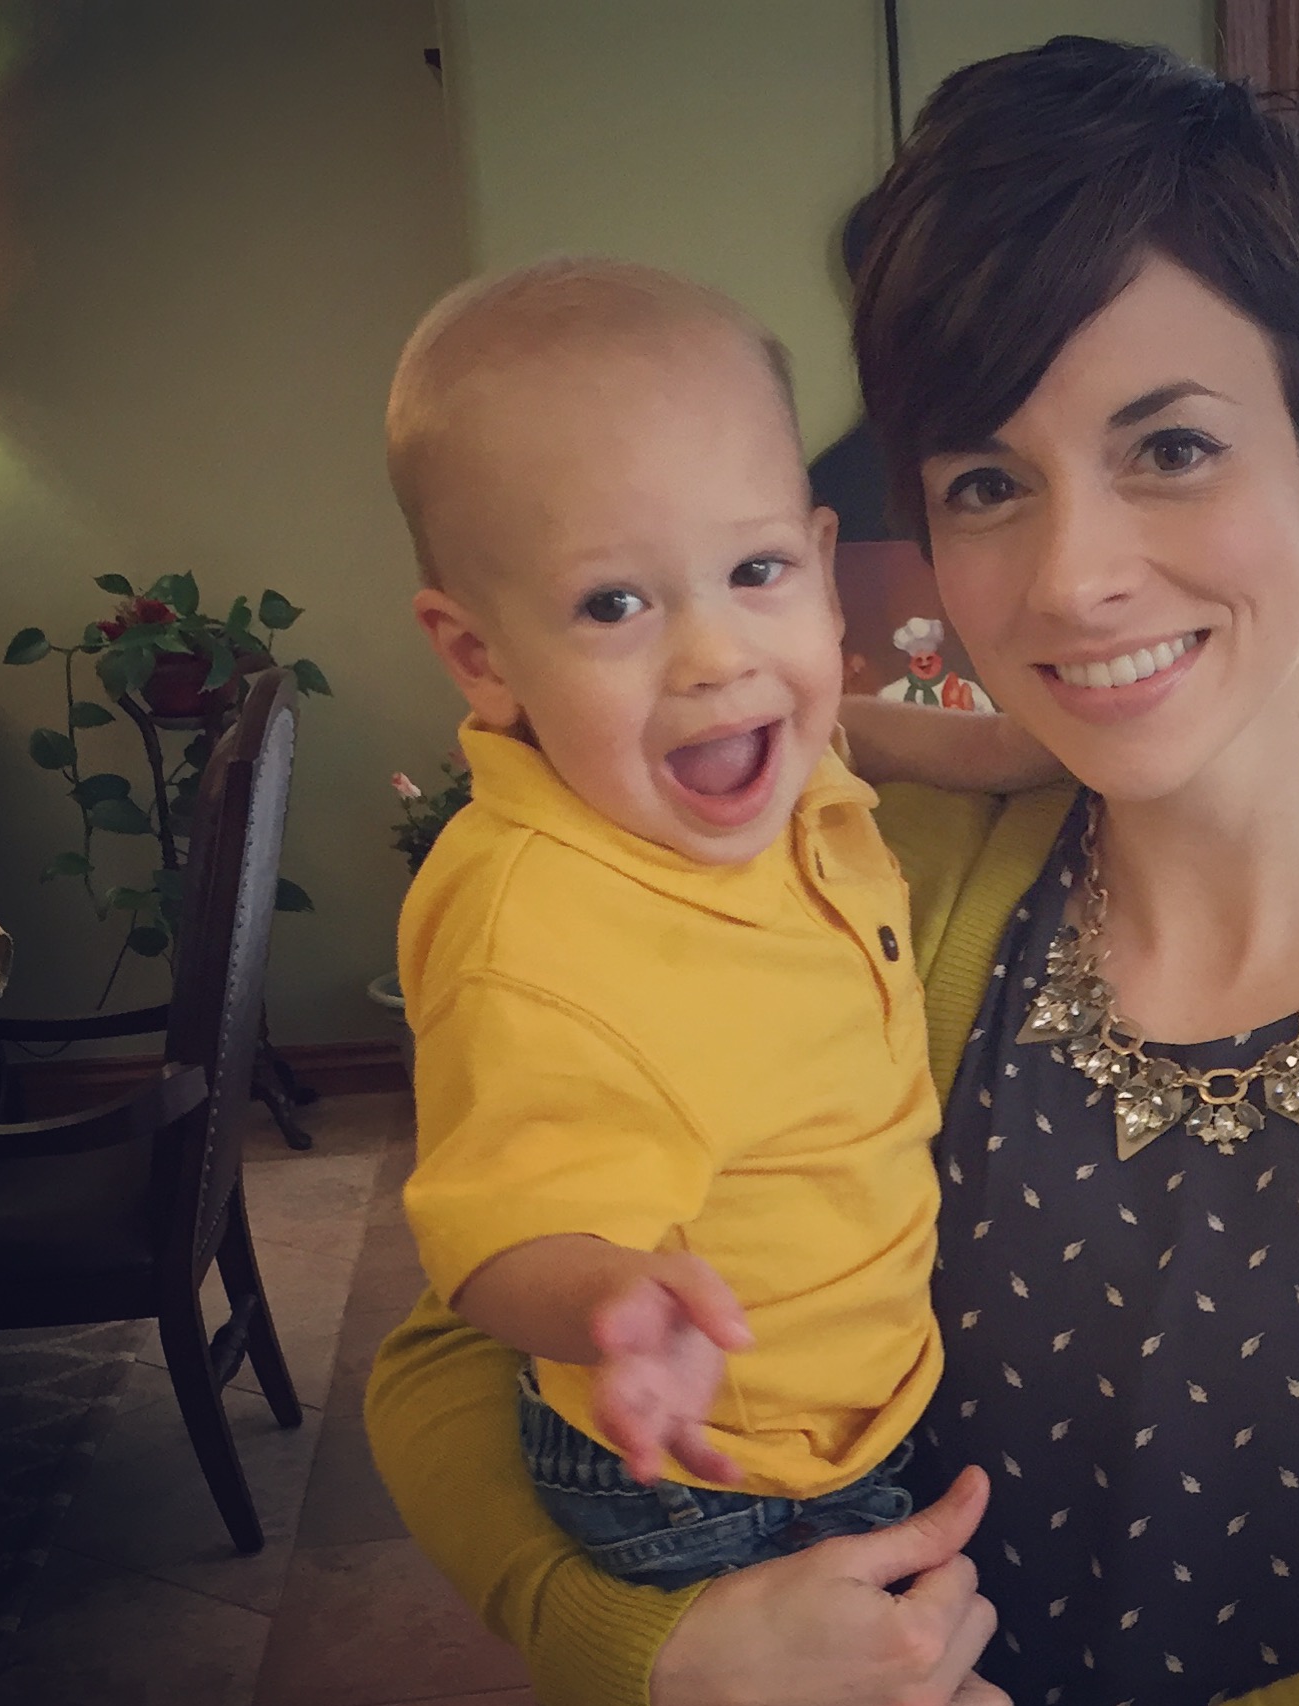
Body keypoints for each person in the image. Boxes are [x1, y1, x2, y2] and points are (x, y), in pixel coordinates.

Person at [365, 38, 1299, 1706]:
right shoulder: (855, 875)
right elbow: (454, 1358)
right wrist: (662, 1667)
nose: (1075, 576)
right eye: (989, 484)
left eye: (1171, 447)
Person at [382, 259, 1043, 1611]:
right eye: (612, 605)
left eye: (754, 571)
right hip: (709, 1474)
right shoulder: (541, 931)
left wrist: (1024, 750)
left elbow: (858, 734)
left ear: (818, 563)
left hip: (850, 1412)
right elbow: (498, 1233)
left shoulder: (757, 754)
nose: (715, 658)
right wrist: (613, 1305)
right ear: (480, 656)